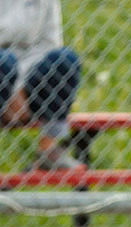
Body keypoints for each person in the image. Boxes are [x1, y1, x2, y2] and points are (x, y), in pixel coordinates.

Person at [0, 0, 82, 171]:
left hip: (26, 87)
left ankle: (48, 151)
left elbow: (49, 45)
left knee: (65, 59)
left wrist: (18, 90)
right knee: (5, 62)